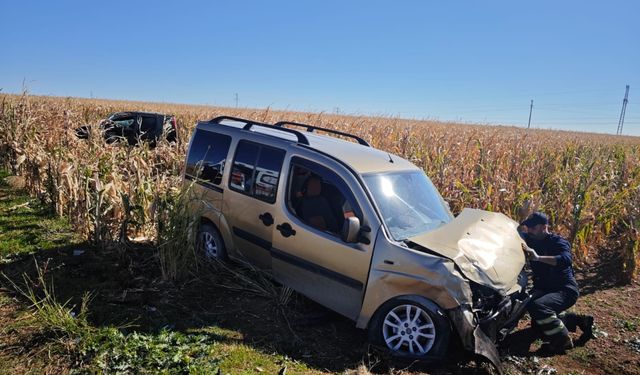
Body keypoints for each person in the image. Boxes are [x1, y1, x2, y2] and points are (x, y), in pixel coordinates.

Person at [519, 211, 594, 355]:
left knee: (539, 307)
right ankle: (577, 320)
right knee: (538, 326)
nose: (529, 231)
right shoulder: (530, 238)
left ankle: (562, 340)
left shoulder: (558, 242)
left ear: (543, 227)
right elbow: (516, 235)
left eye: (532, 228)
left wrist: (538, 258)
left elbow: (565, 259)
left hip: (565, 290)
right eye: (527, 227)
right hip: (545, 288)